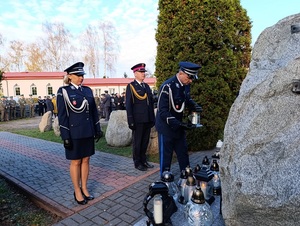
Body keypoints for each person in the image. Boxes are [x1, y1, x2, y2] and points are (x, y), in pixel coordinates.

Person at [56, 62, 103, 205]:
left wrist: (97, 128)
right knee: (76, 161)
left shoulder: (88, 91)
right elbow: (62, 116)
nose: (81, 78)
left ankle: (85, 188)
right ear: (69, 76)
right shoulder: (63, 91)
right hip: (74, 132)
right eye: (78, 75)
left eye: (82, 75)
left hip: (87, 131)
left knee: (86, 159)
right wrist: (65, 136)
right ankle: (77, 190)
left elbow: (94, 112)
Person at [155, 61, 203, 176]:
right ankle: (165, 181)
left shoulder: (185, 85)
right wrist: (178, 124)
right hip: (166, 127)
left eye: (192, 78)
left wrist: (193, 105)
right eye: (189, 77)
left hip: (178, 126)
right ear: (181, 73)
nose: (190, 81)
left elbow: (185, 99)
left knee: (183, 154)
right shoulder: (167, 86)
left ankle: (186, 178)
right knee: (166, 157)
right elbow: (163, 111)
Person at [125, 63, 155, 171]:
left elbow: (150, 103)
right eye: (141, 72)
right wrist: (130, 120)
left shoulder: (146, 86)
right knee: (137, 142)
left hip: (147, 119)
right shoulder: (131, 86)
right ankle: (137, 162)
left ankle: (144, 160)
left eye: (144, 72)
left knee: (145, 141)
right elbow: (128, 105)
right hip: (137, 120)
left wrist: (152, 118)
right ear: (135, 73)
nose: (143, 74)